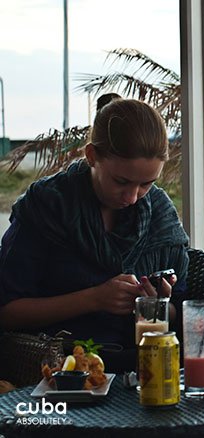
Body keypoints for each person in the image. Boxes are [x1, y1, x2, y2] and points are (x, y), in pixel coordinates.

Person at [0, 94, 189, 373]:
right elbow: (7, 312)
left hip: (145, 367)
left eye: (147, 184)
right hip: (60, 369)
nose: (133, 197)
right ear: (92, 156)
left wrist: (156, 307)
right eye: (121, 181)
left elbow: (185, 313)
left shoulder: (160, 215)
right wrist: (94, 299)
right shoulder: (48, 206)